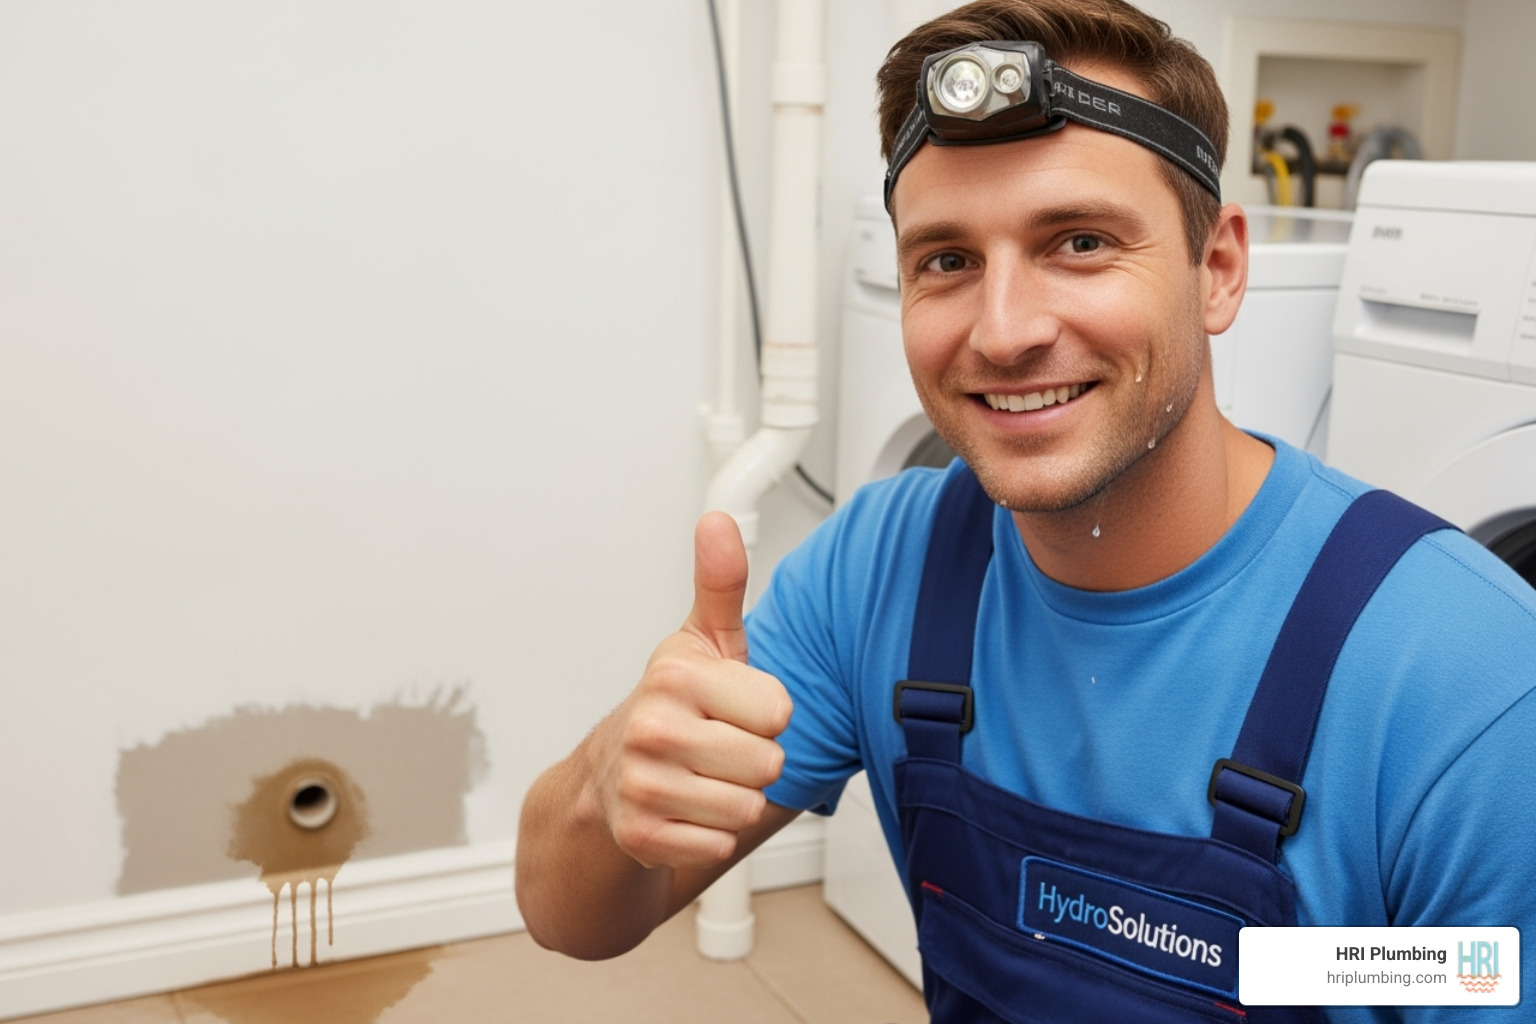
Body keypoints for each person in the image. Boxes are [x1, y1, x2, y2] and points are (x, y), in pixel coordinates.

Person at [516, 1, 1536, 1020]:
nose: (1002, 333)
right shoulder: (880, 569)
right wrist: (612, 780)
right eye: (947, 261)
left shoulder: (1464, 674)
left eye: (1080, 241)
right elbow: (573, 918)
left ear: (1217, 268)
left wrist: (1250, 958)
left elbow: (1462, 977)